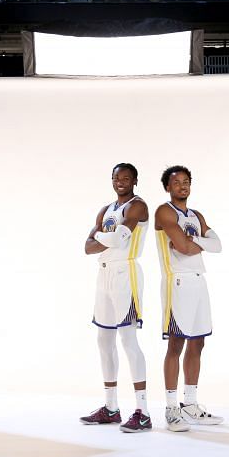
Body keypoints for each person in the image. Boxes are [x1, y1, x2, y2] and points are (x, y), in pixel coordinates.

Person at [80, 163, 151, 433]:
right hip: (104, 274)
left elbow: (120, 241)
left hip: (126, 272)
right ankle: (111, 408)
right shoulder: (106, 210)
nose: (120, 181)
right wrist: (104, 237)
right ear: (111, 180)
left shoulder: (137, 206)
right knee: (104, 339)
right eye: (116, 177)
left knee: (128, 339)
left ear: (134, 180)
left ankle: (142, 412)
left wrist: (98, 235)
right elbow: (87, 248)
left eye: (126, 177)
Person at [155, 165, 223, 432]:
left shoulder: (196, 215)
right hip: (178, 282)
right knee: (176, 344)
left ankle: (190, 404)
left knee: (198, 343)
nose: (182, 186)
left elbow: (217, 245)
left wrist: (194, 241)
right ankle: (171, 408)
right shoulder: (164, 211)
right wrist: (197, 243)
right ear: (168, 187)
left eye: (186, 182)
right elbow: (182, 249)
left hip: (198, 280)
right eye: (177, 182)